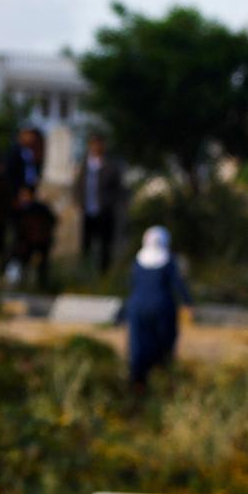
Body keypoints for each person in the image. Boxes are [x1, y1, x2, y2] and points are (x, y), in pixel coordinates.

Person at [122, 227, 192, 391]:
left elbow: (131, 285)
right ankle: (162, 381)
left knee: (138, 345)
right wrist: (188, 303)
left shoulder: (138, 260)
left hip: (137, 308)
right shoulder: (168, 261)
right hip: (162, 308)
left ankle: (137, 382)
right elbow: (178, 284)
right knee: (163, 343)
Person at [72, 133, 123, 273]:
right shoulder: (85, 164)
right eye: (93, 144)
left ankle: (103, 274)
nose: (96, 147)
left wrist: (109, 203)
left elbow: (117, 188)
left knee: (104, 246)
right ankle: (84, 272)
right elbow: (79, 185)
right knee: (86, 244)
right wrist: (79, 201)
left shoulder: (111, 165)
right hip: (88, 210)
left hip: (105, 211)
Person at [9, 185, 56, 290]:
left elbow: (52, 221)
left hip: (39, 242)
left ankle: (42, 287)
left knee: (42, 267)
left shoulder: (41, 209)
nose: (24, 198)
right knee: (19, 264)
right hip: (24, 244)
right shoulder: (18, 210)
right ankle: (20, 286)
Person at [4, 125, 43, 195]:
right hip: (16, 190)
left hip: (30, 189)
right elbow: (9, 173)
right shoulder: (14, 152)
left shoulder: (33, 153)